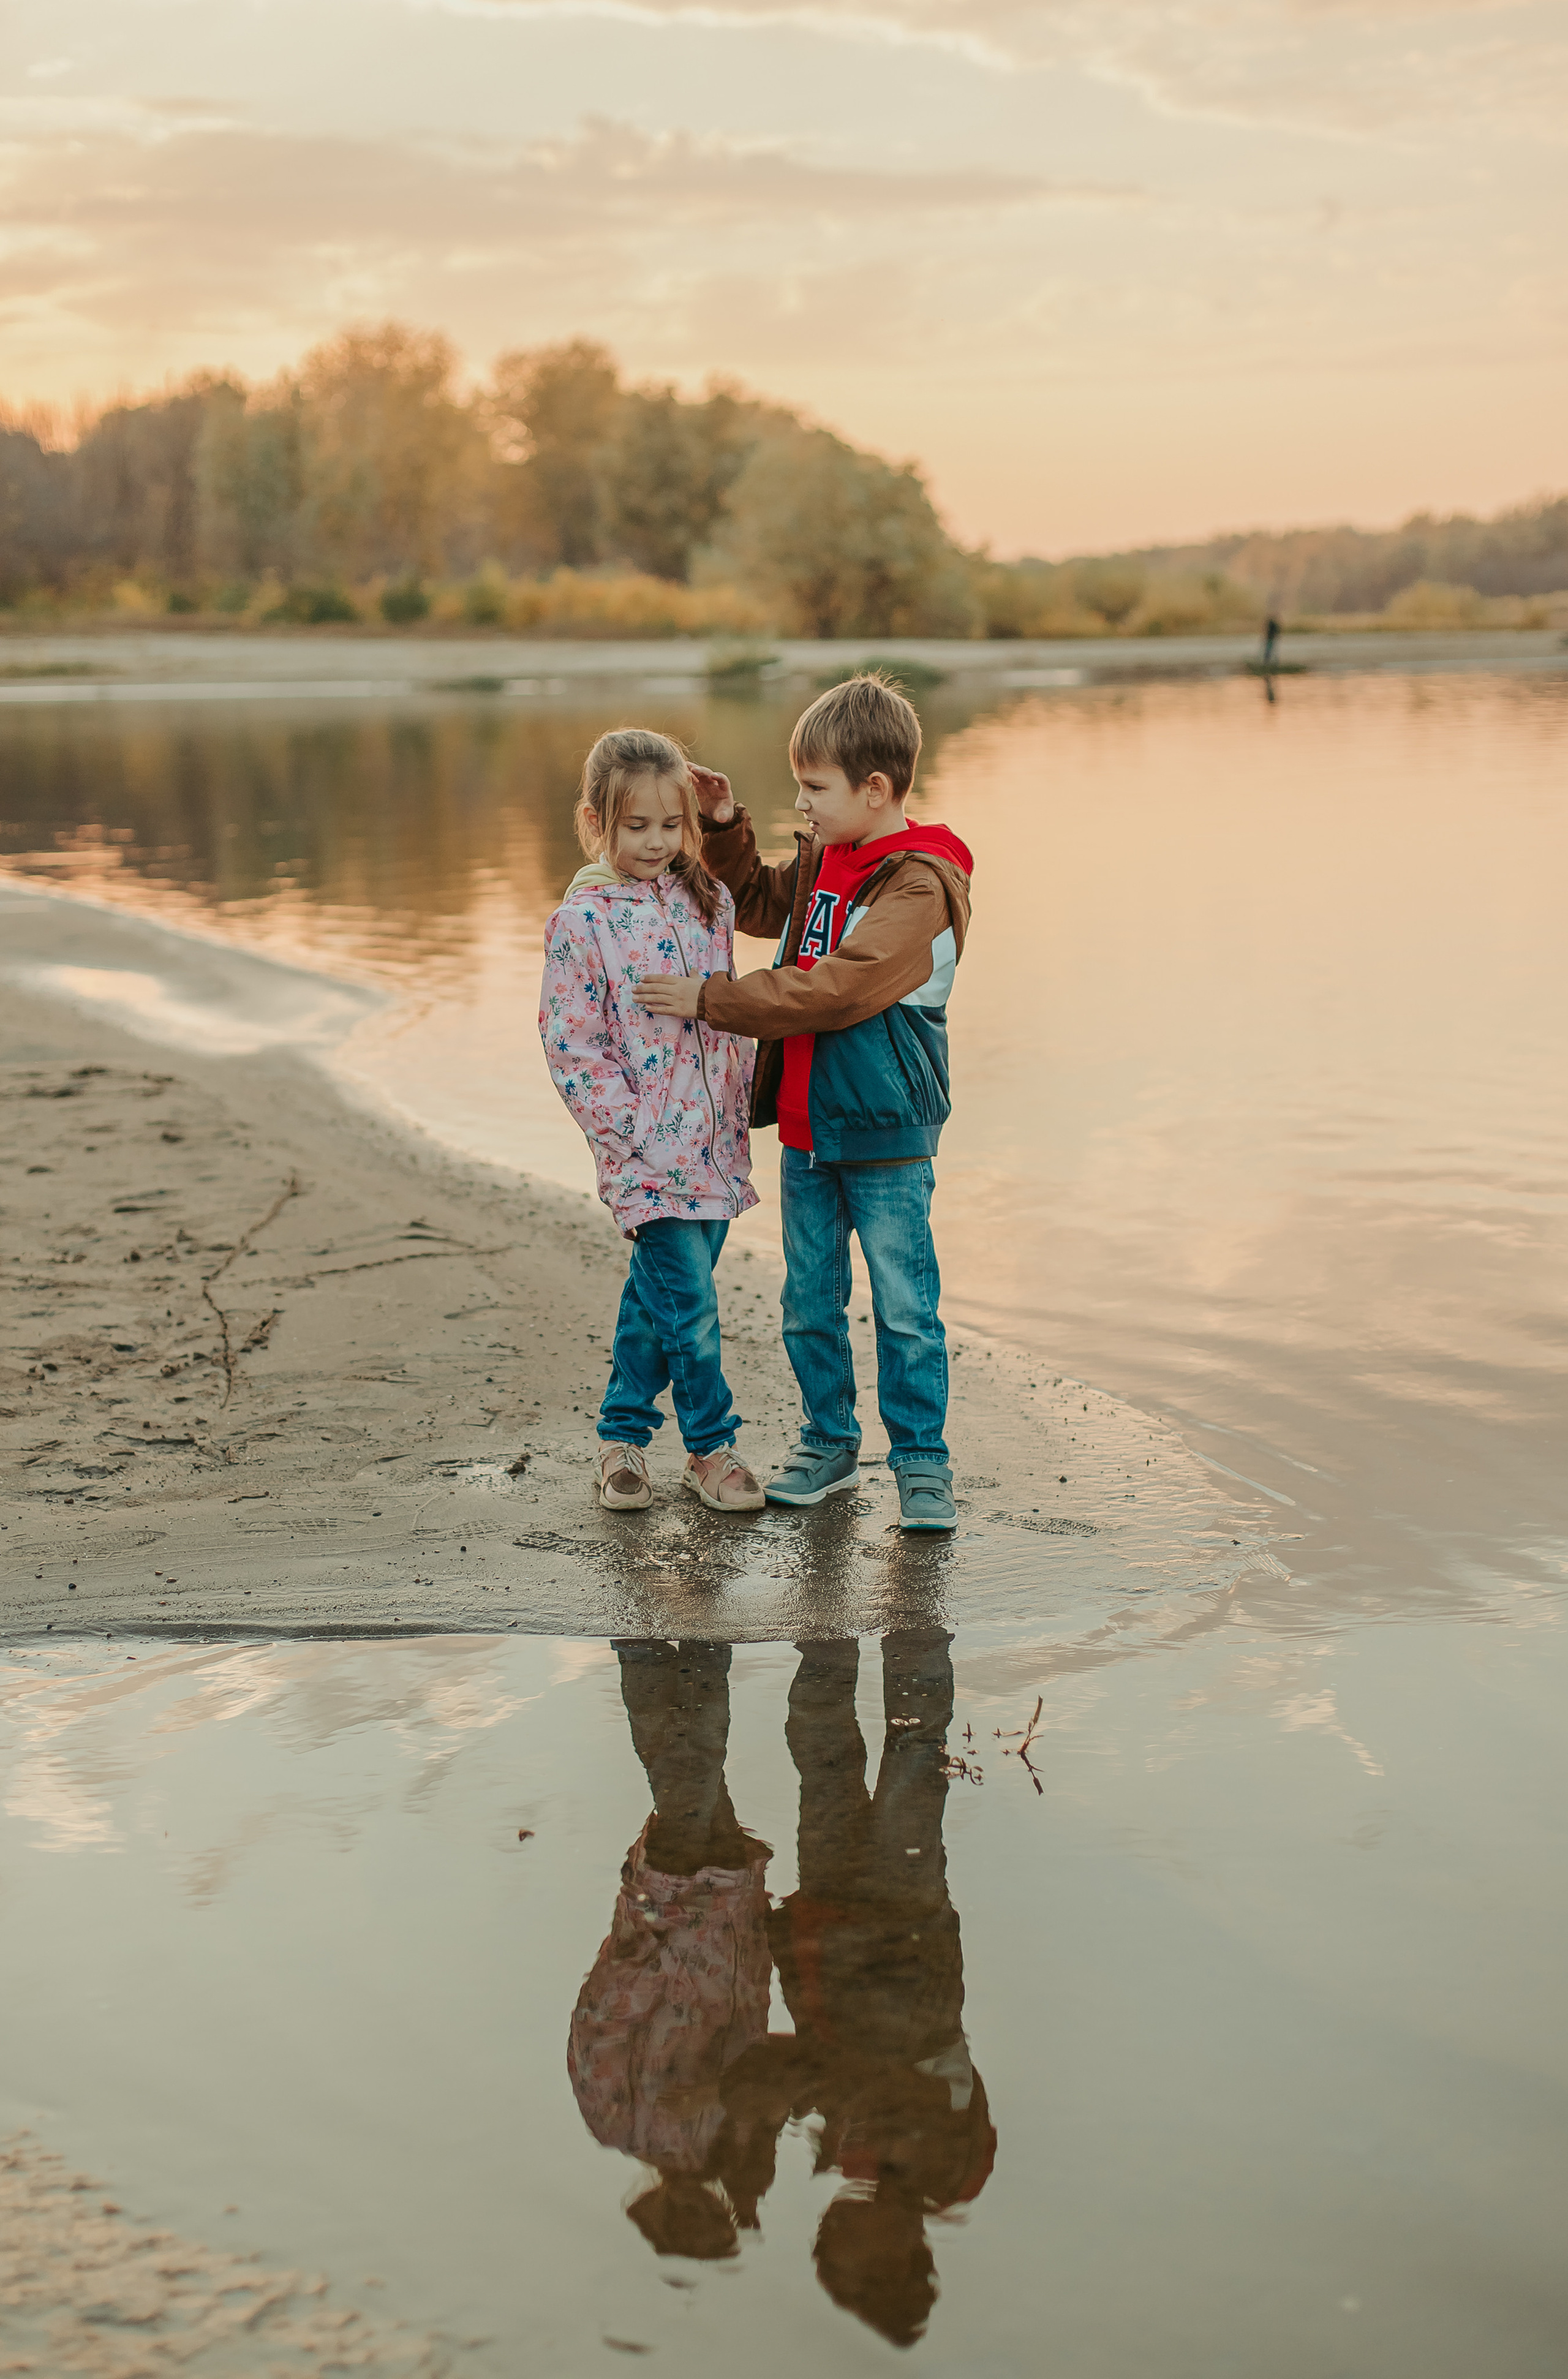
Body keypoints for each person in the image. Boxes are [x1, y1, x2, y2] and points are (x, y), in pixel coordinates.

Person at [635, 674, 972, 1531]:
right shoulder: (827, 860)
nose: (802, 802)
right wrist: (723, 826)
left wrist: (711, 999)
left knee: (904, 1308)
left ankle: (922, 1462)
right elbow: (756, 902)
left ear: (875, 788)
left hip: (886, 1132)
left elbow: (836, 988)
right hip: (808, 1127)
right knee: (808, 1305)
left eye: (815, 787)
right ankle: (829, 1442)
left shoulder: (919, 887)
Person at [539, 728, 764, 1514]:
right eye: (636, 826)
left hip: (714, 1145)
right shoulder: (582, 923)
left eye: (671, 824)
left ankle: (620, 1436)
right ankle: (711, 1448)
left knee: (657, 1300)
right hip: (643, 1154)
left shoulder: (710, 901)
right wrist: (632, 1133)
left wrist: (735, 1106)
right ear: (595, 822)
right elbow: (572, 1045)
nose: (656, 841)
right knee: (691, 1305)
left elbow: (724, 1012)